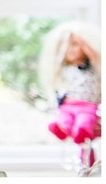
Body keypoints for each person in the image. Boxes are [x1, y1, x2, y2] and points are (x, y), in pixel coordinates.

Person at [38, 21, 101, 166]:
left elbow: (97, 59)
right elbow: (58, 91)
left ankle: (82, 133)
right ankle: (61, 128)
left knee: (85, 121)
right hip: (68, 105)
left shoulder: (91, 68)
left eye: (75, 45)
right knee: (64, 118)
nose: (70, 50)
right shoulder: (63, 70)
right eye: (66, 46)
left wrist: (84, 43)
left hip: (87, 106)